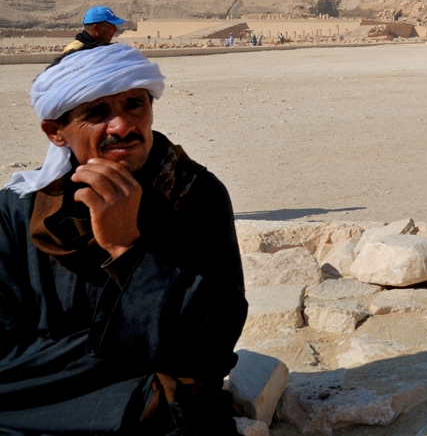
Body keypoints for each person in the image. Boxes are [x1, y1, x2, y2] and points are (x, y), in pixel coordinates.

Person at [0, 43, 246, 434]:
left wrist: (127, 249)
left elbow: (211, 343)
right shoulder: (18, 212)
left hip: (149, 405)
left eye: (135, 105)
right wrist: (130, 350)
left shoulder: (194, 194)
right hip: (61, 397)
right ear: (55, 132)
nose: (122, 126)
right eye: (96, 114)